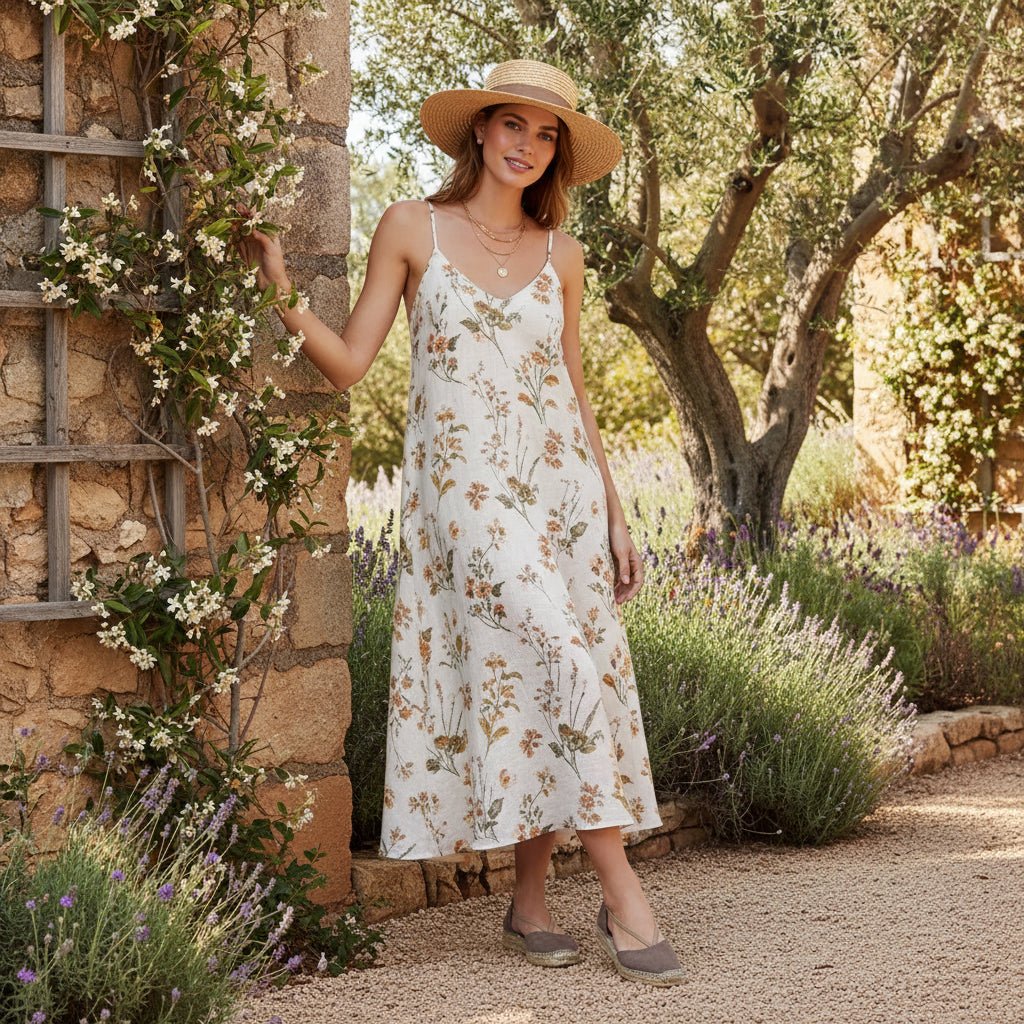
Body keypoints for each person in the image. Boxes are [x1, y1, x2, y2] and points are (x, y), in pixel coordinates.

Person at [235, 59, 685, 986]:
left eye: (547, 133)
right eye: (512, 125)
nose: (527, 145)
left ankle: (527, 906)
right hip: (465, 498)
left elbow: (573, 387)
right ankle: (622, 889)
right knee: (559, 656)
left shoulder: (563, 254)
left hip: (558, 493)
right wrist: (281, 286)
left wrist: (613, 508)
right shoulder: (412, 227)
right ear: (478, 131)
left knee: (535, 678)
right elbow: (352, 363)